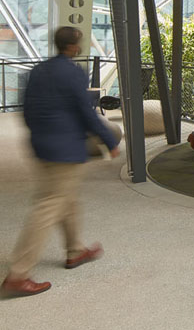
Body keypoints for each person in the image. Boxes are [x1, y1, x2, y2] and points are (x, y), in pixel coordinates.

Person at [3, 26, 120, 297]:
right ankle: (18, 275)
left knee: (65, 197)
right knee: (49, 205)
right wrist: (109, 141)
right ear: (74, 48)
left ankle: (75, 250)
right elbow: (86, 113)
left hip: (41, 145)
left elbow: (27, 109)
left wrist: (40, 135)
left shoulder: (38, 70)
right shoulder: (74, 73)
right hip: (64, 149)